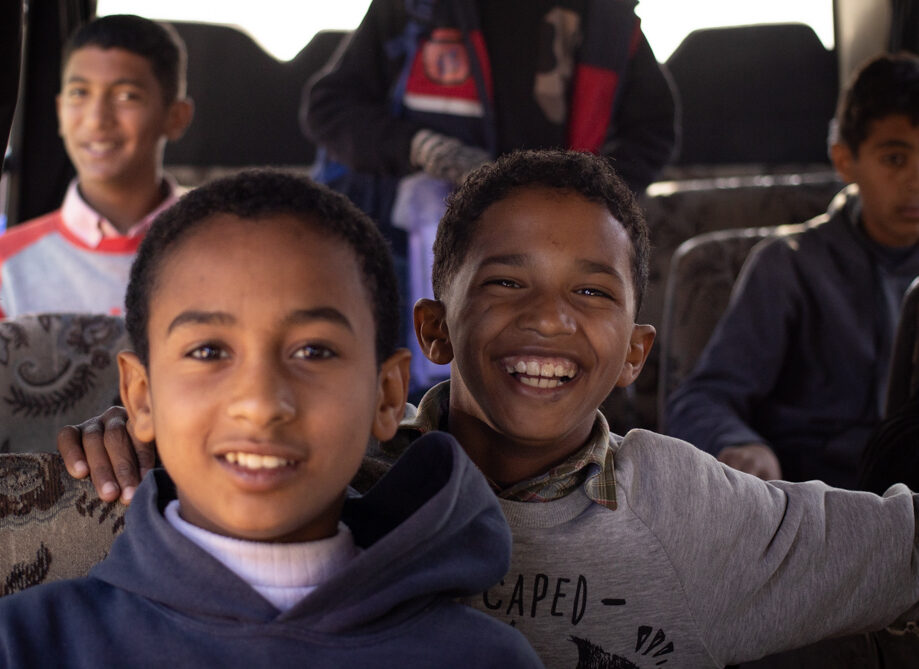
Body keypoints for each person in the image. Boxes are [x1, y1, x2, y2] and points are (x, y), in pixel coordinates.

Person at [59, 150, 919, 668]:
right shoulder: (338, 477)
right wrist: (139, 428)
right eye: (506, 282)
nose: (549, 318)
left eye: (590, 290)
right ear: (432, 328)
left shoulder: (695, 510)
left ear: (634, 354)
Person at [0, 169, 542, 667]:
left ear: (386, 395)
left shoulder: (484, 659)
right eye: (209, 351)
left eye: (313, 352)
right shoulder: (28, 643)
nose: (260, 403)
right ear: (141, 397)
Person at [666, 52, 919, 488]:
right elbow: (701, 398)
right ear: (845, 161)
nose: (917, 180)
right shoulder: (789, 266)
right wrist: (743, 445)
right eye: (895, 159)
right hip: (816, 501)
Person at [0, 14, 193, 319]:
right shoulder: (7, 267)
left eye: (127, 96)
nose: (96, 119)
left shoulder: (224, 250)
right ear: (59, 111)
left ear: (176, 117)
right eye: (80, 93)